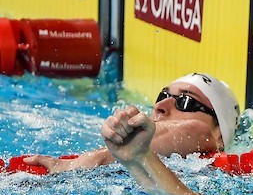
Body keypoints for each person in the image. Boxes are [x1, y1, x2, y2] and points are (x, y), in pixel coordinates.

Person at [23, 73, 240, 173]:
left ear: (220, 134)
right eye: (162, 95)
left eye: (185, 101)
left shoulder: (208, 147)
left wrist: (89, 161)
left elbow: (198, 132)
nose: (161, 105)